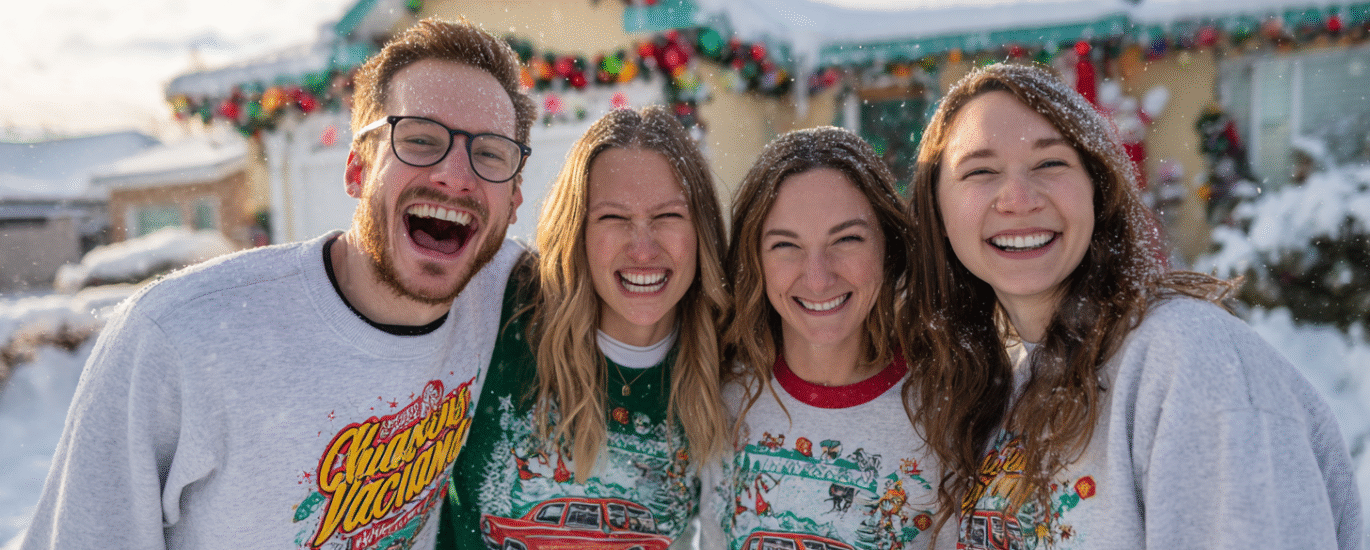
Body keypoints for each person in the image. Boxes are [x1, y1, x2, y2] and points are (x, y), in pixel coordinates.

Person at [19, 17, 535, 550]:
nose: (456, 173)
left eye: (491, 153)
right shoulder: (175, 337)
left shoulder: (501, 291)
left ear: (514, 199)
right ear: (357, 169)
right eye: (420, 140)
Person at [903, 62, 1362, 549]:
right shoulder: (995, 380)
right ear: (937, 210)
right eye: (980, 171)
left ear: (1097, 189)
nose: (1018, 198)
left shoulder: (1189, 360)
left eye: (1050, 163)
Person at [437, 105, 729, 549]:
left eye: (668, 216)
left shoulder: (729, 364)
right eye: (613, 218)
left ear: (702, 229)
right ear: (578, 229)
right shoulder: (498, 302)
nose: (643, 248)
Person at [700, 127, 944, 549]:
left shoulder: (946, 409)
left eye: (847, 239)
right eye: (785, 245)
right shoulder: (725, 396)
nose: (818, 277)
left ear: (889, 245)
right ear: (753, 258)